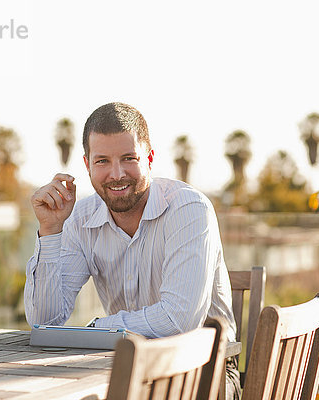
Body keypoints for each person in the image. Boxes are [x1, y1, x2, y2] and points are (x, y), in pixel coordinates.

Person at [24, 102, 240, 399]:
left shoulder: (189, 209)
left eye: (129, 158)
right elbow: (43, 323)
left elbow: (178, 321)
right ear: (86, 165)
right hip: (124, 369)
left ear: (149, 158)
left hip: (206, 372)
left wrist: (98, 328)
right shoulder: (79, 220)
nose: (116, 174)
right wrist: (50, 231)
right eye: (102, 161)